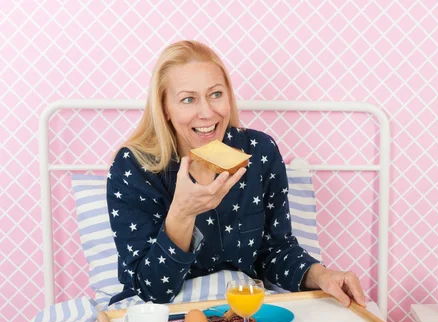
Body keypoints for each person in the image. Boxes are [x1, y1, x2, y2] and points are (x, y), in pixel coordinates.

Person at [106, 40, 366, 308]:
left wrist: (323, 275)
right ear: (165, 109)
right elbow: (153, 291)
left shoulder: (259, 152)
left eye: (216, 94)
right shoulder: (134, 167)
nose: (207, 112)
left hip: (243, 310)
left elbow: (275, 252)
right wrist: (182, 213)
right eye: (188, 99)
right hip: (162, 317)